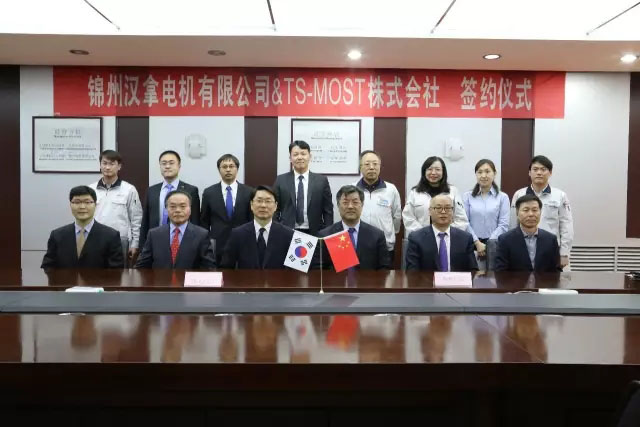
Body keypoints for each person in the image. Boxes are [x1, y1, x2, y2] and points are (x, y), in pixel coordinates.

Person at [510, 155, 573, 269]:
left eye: (543, 169)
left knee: (552, 279)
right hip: (524, 248)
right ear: (529, 173)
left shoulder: (560, 196)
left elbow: (566, 225)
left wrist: (564, 253)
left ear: (550, 173)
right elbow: (513, 224)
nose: (539, 173)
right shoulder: (519, 194)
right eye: (535, 169)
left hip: (551, 249)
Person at [41, 186, 124, 269]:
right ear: (70, 205)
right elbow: (48, 267)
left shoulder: (111, 236)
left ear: (95, 205)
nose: (82, 207)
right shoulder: (57, 235)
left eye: (87, 202)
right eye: (77, 202)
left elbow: (116, 271)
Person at [134, 190, 215, 269]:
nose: (178, 210)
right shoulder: (154, 234)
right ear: (166, 209)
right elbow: (141, 267)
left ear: (190, 209)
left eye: (183, 206)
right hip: (160, 278)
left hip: (189, 278)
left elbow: (209, 268)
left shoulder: (201, 235)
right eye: (173, 206)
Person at [317, 185, 391, 270]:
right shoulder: (326, 235)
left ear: (362, 205)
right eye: (345, 202)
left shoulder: (377, 235)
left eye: (355, 202)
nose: (350, 206)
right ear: (338, 205)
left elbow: (384, 269)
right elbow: (319, 270)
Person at [221, 185, 294, 269]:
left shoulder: (288, 235)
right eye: (259, 201)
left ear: (275, 206)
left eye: (268, 201)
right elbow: (226, 268)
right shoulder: (237, 234)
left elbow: (296, 271)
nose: (263, 205)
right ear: (251, 205)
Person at [89, 149, 143, 265]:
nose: (107, 167)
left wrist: (135, 244)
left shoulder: (129, 189)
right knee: (94, 272)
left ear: (119, 166)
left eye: (112, 164)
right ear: (100, 165)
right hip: (94, 238)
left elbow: (136, 219)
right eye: (104, 163)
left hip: (120, 240)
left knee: (119, 273)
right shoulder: (91, 189)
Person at [140, 150, 200, 249]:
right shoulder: (151, 190)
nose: (167, 166)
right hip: (155, 241)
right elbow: (145, 221)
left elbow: (195, 220)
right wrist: (142, 246)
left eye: (171, 163)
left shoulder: (191, 190)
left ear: (179, 166)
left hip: (181, 241)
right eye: (164, 163)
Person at [201, 154, 253, 265]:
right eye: (224, 167)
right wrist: (207, 243)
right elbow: (204, 221)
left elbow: (251, 219)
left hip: (242, 242)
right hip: (217, 244)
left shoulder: (249, 192)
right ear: (219, 169)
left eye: (231, 166)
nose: (228, 169)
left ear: (237, 169)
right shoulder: (209, 192)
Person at [273, 140, 333, 236]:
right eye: (295, 154)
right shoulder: (281, 180)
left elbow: (328, 210)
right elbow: (274, 208)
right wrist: (277, 228)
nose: (300, 157)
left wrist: (327, 232)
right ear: (290, 158)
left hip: (315, 232)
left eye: (303, 154)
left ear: (310, 156)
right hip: (287, 232)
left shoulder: (321, 181)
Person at [405, 194, 478, 271]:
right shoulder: (416, 238)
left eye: (448, 208)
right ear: (430, 211)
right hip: (427, 279)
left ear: (452, 211)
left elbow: (473, 270)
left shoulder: (465, 238)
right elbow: (412, 272)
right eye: (438, 208)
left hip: (456, 279)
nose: (443, 212)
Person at [462, 159, 510, 270]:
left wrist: (488, 244)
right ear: (476, 174)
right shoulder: (467, 196)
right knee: (473, 276)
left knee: (493, 277)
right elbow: (464, 222)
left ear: (494, 173)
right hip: (471, 244)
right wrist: (477, 243)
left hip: (495, 245)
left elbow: (503, 225)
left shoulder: (502, 197)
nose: (483, 175)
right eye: (480, 172)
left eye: (487, 171)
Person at [403, 156, 468, 236]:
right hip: (421, 238)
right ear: (424, 171)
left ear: (443, 172)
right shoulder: (415, 192)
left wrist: (444, 233)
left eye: (437, 169)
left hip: (447, 238)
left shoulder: (453, 191)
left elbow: (461, 219)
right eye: (429, 169)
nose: (433, 173)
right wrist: (423, 233)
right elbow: (408, 217)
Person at [354, 150, 402, 260]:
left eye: (375, 164)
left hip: (385, 246)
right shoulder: (352, 189)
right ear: (360, 167)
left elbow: (396, 217)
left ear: (380, 166)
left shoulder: (391, 189)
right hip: (358, 245)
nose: (371, 167)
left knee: (385, 272)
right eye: (367, 164)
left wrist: (389, 233)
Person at [495, 194, 562, 272]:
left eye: (535, 210)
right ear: (517, 213)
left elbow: (556, 271)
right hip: (515, 280)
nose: (531, 214)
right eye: (526, 210)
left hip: (543, 280)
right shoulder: (505, 240)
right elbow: (500, 272)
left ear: (540, 212)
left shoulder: (551, 239)